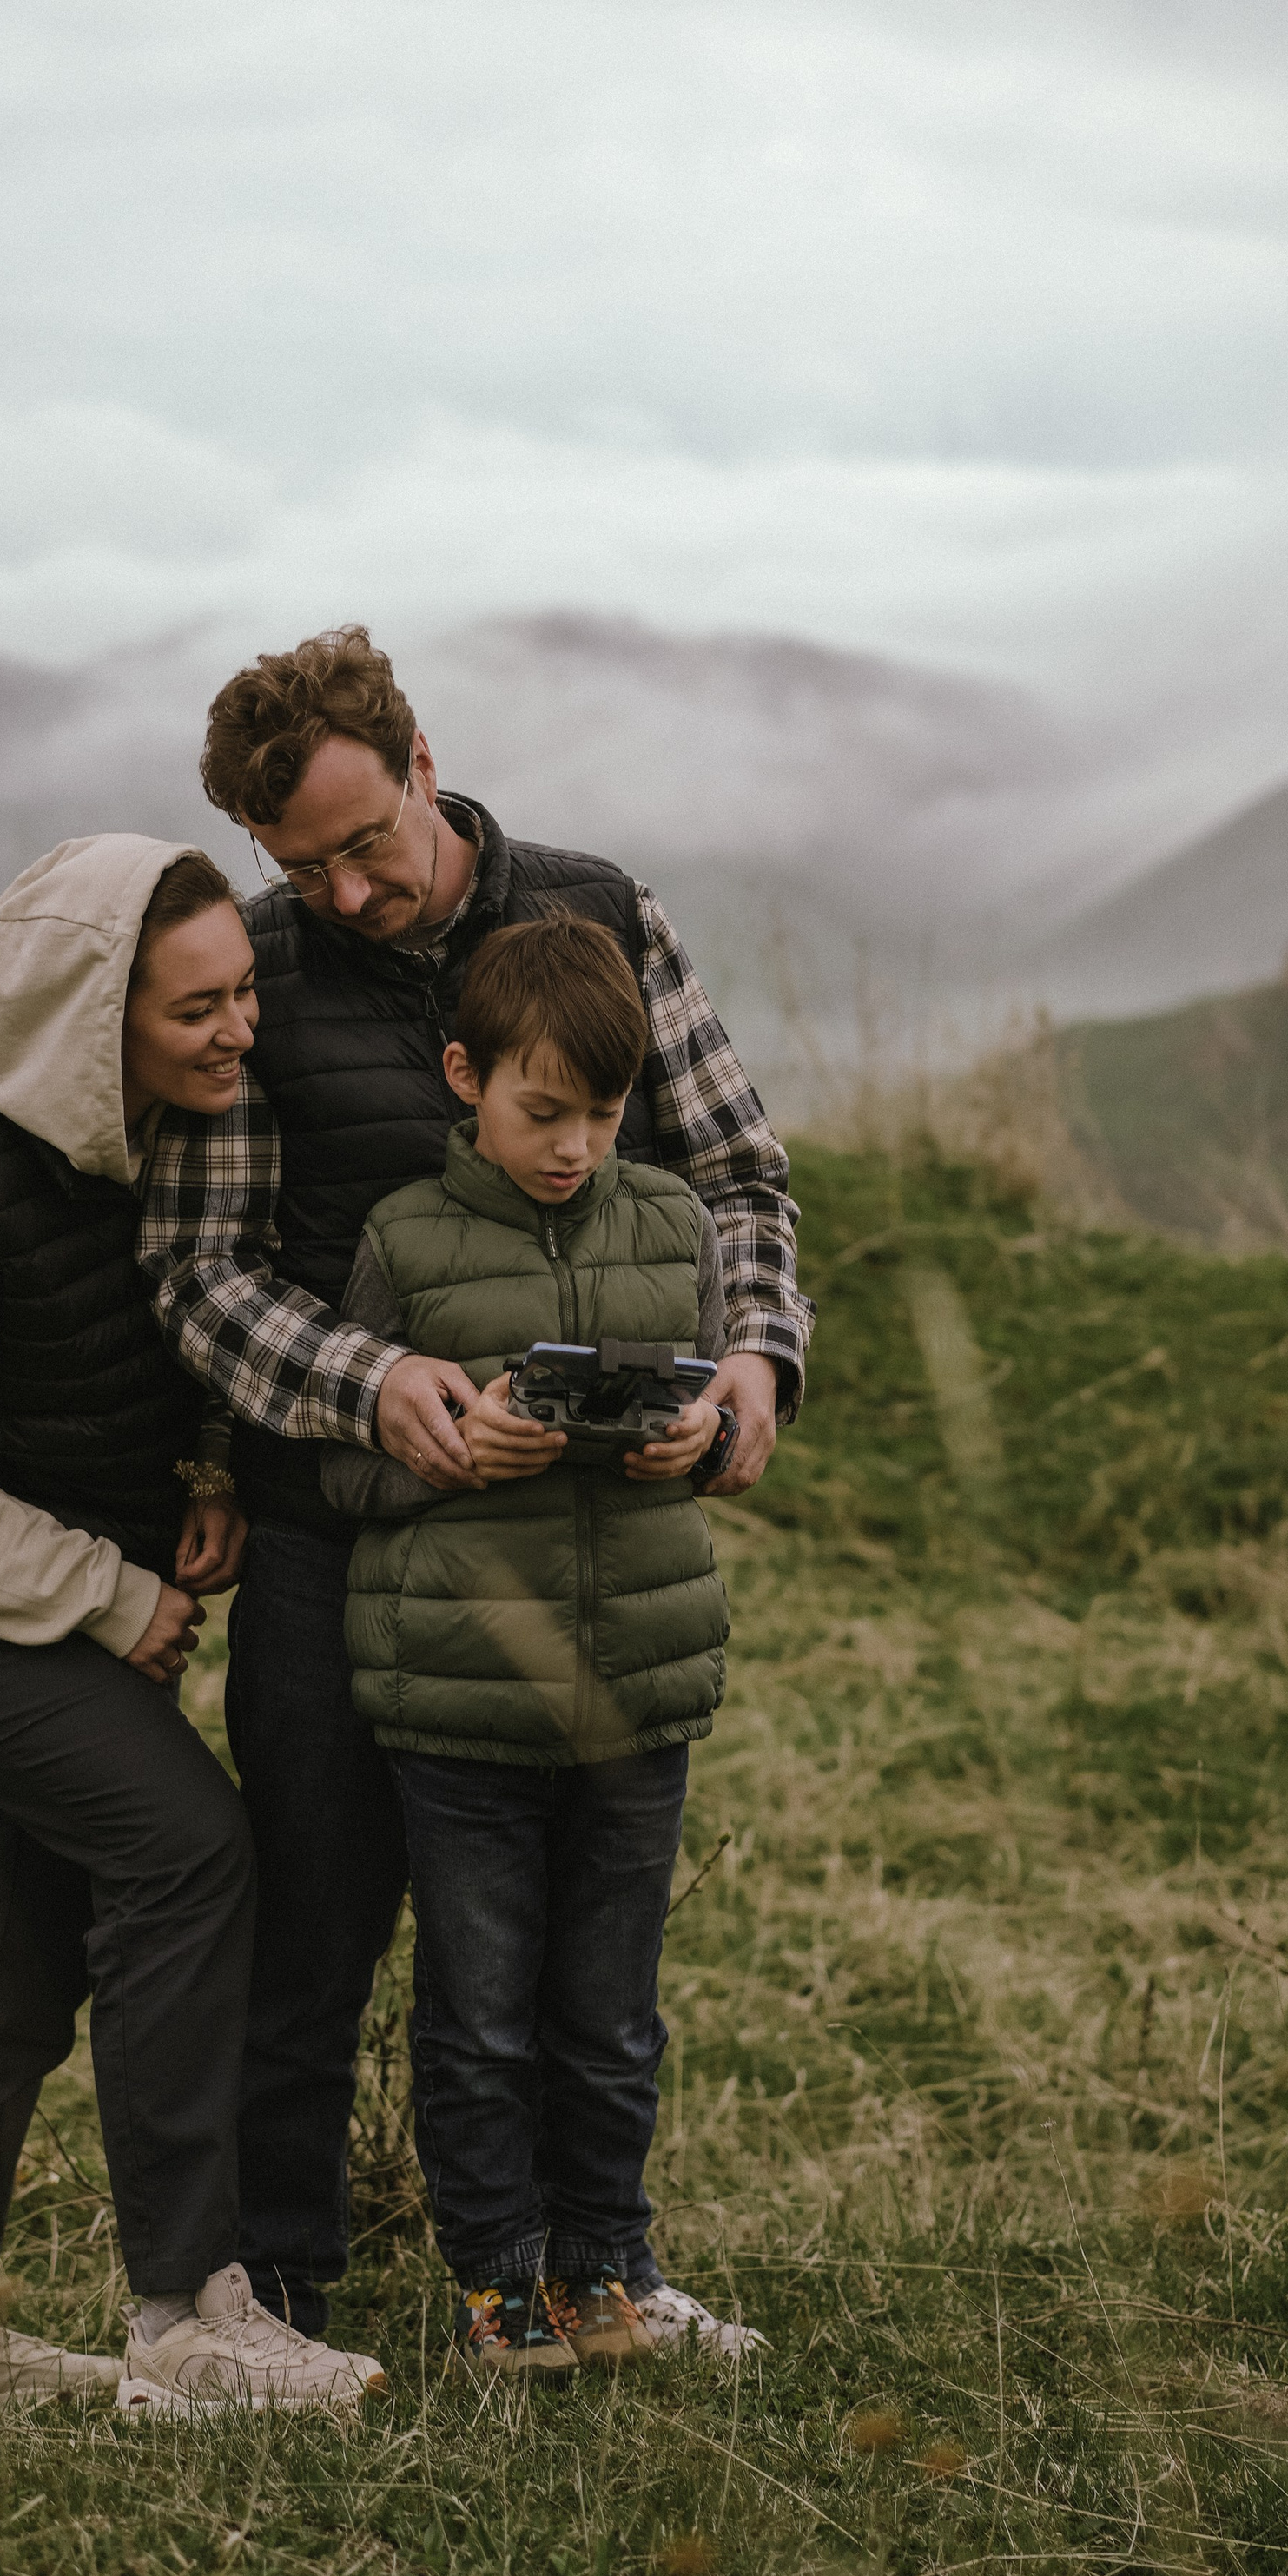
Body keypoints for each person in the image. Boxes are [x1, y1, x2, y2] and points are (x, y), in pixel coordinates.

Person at [140, 626, 812, 2350]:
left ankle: (591, 2271)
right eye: (305, 866)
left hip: (578, 1541)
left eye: (365, 845)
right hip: (329, 1534)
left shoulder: (594, 913)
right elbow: (203, 1275)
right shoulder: (262, 975)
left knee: (579, 1958)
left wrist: (746, 1366)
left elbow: (730, 1170)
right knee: (312, 1925)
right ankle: (272, 2294)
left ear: (421, 759)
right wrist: (378, 1387)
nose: (346, 894)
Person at [0, 833, 382, 2413]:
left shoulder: (132, 1146)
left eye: (245, 993)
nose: (239, 1031)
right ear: (88, 1019)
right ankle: (187, 2318)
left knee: (12, 1949)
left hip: (26, 1580)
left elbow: (96, 1375)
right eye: (197, 1008)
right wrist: (112, 1592)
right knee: (186, 1846)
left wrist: (197, 1469)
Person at [320, 916, 732, 2381]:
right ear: (464, 1078)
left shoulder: (678, 1227)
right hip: (464, 1713)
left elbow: (717, 1421)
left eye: (603, 1115)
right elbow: (341, 1473)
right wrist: (446, 1448)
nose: (573, 1146)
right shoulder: (400, 1241)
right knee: (482, 2016)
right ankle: (499, 2284)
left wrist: (701, 1434)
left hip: (637, 1696)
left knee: (613, 2014)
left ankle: (609, 2265)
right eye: (541, 1109)